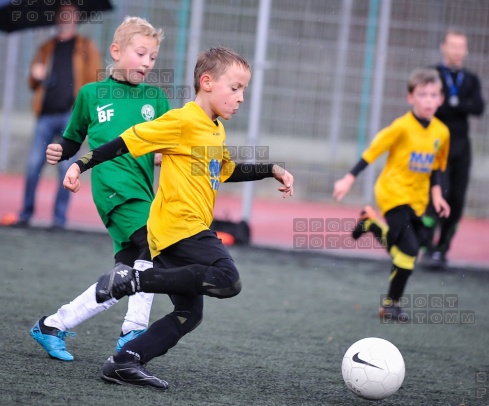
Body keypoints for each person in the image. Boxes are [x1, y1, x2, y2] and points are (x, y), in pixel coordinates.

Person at [61, 47, 294, 389]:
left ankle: (125, 362)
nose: (241, 97)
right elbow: (127, 141)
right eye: (235, 88)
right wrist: (80, 164)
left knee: (190, 313)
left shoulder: (214, 129)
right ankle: (133, 281)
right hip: (178, 226)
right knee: (227, 278)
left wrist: (271, 169)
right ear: (207, 82)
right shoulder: (182, 120)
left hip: (176, 233)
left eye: (245, 89)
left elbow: (226, 171)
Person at [30, 16, 170, 362]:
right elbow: (72, 138)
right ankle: (133, 330)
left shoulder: (157, 98)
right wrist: (60, 151)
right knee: (152, 245)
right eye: (141, 53)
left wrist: (165, 161)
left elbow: (163, 149)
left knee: (125, 276)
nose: (147, 63)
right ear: (117, 51)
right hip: (113, 190)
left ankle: (52, 324)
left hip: (143, 192)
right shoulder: (91, 94)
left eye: (153, 57)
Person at [333, 68, 451, 322]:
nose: (429, 100)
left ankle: (370, 224)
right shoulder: (401, 127)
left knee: (405, 250)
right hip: (392, 193)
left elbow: (437, 168)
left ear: (441, 99)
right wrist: (349, 177)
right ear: (411, 98)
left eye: (434, 95)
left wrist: (438, 196)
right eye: (423, 95)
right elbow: (372, 152)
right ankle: (390, 305)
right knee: (408, 250)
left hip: (418, 199)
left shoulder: (442, 132)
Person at [14, 4, 102, 229]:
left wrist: (86, 110)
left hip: (70, 116)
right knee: (34, 164)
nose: (66, 18)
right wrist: (36, 75)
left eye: (70, 14)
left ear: (76, 17)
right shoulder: (46, 48)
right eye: (62, 14)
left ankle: (59, 219)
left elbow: (95, 81)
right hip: (45, 115)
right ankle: (25, 214)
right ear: (57, 18)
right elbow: (33, 82)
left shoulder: (85, 46)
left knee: (66, 167)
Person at [422, 28, 485, 269]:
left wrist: (451, 103)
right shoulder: (433, 74)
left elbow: (478, 107)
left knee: (457, 200)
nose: (458, 51)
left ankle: (442, 249)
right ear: (443, 47)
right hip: (436, 147)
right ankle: (426, 246)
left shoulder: (471, 79)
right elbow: (432, 106)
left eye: (462, 47)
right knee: (438, 196)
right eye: (453, 46)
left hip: (461, 147)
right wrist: (458, 105)